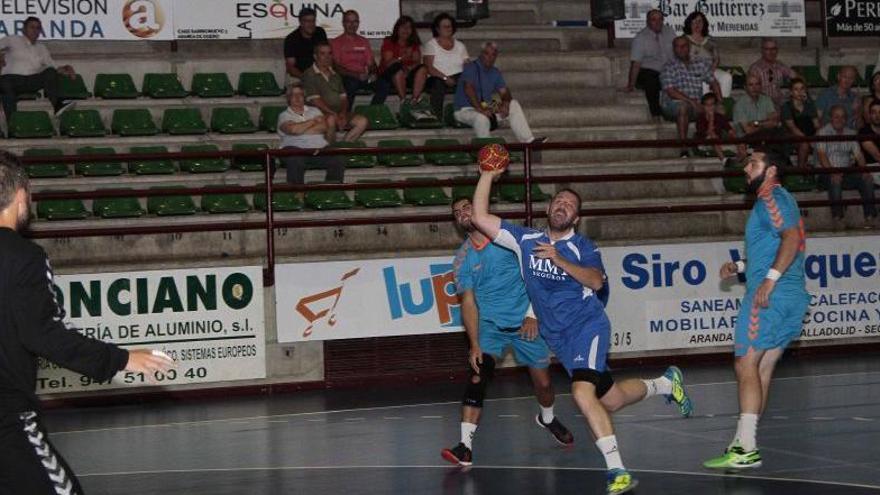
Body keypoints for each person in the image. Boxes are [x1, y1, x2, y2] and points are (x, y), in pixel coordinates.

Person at [469, 172, 694, 495]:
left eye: (570, 205)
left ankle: (617, 470)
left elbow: (596, 281)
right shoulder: (525, 240)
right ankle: (665, 383)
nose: (562, 206)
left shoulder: (582, 246)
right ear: (548, 209)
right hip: (559, 337)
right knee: (611, 400)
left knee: (581, 394)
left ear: (576, 217)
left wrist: (558, 259)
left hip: (587, 327)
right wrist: (487, 175)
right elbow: (479, 217)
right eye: (558, 201)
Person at [0, 150, 175, 495]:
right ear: (22, 196)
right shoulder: (24, 257)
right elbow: (45, 335)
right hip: (7, 420)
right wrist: (122, 359)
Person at [441, 196, 574, 467]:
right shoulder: (462, 259)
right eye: (457, 212)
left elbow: (539, 276)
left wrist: (531, 315)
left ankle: (547, 418)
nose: (463, 213)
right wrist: (475, 344)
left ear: (479, 210)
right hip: (491, 327)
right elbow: (467, 302)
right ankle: (465, 446)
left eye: (467, 207)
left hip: (526, 322)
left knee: (545, 385)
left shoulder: (508, 239)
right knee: (478, 376)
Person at [704, 150, 810, 470]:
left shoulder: (771, 198)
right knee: (761, 369)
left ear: (772, 169)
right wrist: (739, 266)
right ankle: (743, 443)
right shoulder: (778, 201)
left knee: (744, 364)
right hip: (791, 296)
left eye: (753, 164)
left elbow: (791, 239)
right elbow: (778, 246)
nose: (746, 169)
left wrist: (768, 281)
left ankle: (747, 447)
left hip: (771, 296)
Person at [453, 42, 542, 143]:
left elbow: (504, 92)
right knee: (481, 118)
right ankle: (488, 153)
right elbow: (468, 89)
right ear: (481, 54)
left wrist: (505, 104)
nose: (490, 57)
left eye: (493, 55)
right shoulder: (470, 67)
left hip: (487, 105)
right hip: (465, 109)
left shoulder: (495, 71)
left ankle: (529, 141)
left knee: (513, 104)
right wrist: (480, 109)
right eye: (487, 54)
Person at [0, 16, 77, 121]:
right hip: (12, 79)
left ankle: (58, 105)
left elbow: (52, 67)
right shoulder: (13, 39)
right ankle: (13, 121)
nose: (35, 30)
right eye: (32, 27)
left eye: (38, 28)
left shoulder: (42, 48)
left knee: (50, 72)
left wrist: (66, 68)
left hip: (32, 80)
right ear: (23, 29)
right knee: (4, 82)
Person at [815, 105, 877, 228]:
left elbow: (859, 155)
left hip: (846, 173)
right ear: (830, 118)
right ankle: (838, 218)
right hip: (826, 173)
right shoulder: (822, 133)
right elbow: (822, 157)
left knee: (867, 178)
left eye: (843, 117)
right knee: (835, 180)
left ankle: (870, 217)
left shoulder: (851, 133)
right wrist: (833, 172)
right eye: (836, 117)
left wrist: (865, 171)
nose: (840, 119)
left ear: (846, 119)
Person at [660, 35, 721, 156]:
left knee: (715, 108)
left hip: (696, 105)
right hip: (672, 105)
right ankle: (684, 147)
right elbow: (671, 91)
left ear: (689, 47)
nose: (680, 49)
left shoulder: (699, 64)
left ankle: (717, 149)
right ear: (674, 49)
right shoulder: (668, 66)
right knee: (683, 107)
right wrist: (691, 102)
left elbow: (713, 82)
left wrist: (720, 101)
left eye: (683, 46)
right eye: (677, 47)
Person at [277, 83, 344, 185]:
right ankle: (297, 193)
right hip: (294, 149)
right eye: (293, 95)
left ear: (304, 97)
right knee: (295, 159)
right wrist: (313, 122)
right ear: (288, 98)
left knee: (338, 158)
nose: (297, 97)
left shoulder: (315, 111)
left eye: (300, 94)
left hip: (318, 149)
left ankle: (332, 190)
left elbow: (323, 127)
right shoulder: (284, 115)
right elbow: (294, 130)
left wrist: (300, 127)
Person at [302, 42, 369, 143]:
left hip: (337, 112)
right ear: (315, 56)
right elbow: (316, 101)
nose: (327, 57)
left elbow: (343, 98)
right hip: (317, 114)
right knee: (331, 119)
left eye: (329, 53)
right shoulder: (309, 74)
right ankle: (330, 152)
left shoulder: (336, 75)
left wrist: (342, 113)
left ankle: (343, 146)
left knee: (362, 121)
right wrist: (334, 114)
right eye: (323, 54)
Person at [625, 9, 676, 120]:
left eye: (660, 19)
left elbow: (677, 52)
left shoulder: (670, 32)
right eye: (654, 20)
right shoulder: (640, 38)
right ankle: (656, 113)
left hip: (667, 71)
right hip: (648, 72)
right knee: (651, 77)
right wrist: (631, 84)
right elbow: (636, 63)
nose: (657, 22)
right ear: (647, 22)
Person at [330, 10, 381, 110]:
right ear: (343, 23)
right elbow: (336, 67)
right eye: (349, 21)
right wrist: (356, 75)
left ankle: (372, 112)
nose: (352, 25)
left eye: (355, 22)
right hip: (346, 77)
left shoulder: (364, 41)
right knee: (351, 84)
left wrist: (373, 73)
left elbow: (371, 63)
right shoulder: (336, 42)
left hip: (363, 77)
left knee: (383, 85)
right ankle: (345, 114)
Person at [376, 16, 429, 109]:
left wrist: (409, 68)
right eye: (403, 27)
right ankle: (404, 102)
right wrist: (402, 57)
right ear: (397, 28)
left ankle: (414, 100)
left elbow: (417, 61)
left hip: (407, 74)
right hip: (390, 76)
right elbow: (388, 63)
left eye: (409, 27)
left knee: (423, 68)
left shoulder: (413, 44)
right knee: (397, 68)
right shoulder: (389, 41)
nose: (406, 30)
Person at [423, 13, 469, 118]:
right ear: (438, 29)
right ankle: (436, 116)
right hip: (436, 77)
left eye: (450, 26)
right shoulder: (431, 45)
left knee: (473, 79)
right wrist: (445, 78)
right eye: (445, 26)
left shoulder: (460, 45)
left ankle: (484, 110)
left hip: (457, 75)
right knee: (438, 84)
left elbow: (467, 64)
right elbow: (429, 67)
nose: (448, 28)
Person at [733, 73, 783, 160]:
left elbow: (774, 122)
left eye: (757, 84)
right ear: (745, 87)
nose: (755, 87)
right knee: (770, 141)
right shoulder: (740, 104)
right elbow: (748, 130)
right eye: (751, 85)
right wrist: (765, 124)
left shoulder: (766, 100)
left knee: (779, 135)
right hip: (747, 139)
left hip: (766, 136)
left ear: (761, 86)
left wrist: (756, 123)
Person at [683, 11, 733, 98]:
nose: (697, 24)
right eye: (694, 22)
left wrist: (711, 71)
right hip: (692, 72)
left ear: (704, 24)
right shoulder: (683, 39)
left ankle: (722, 105)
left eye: (699, 21)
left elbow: (716, 59)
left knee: (727, 77)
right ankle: (705, 108)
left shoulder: (710, 40)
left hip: (710, 70)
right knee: (703, 81)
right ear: (689, 24)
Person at [781, 78, 820, 169]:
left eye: (802, 88)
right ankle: (800, 169)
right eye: (796, 89)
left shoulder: (810, 105)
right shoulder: (786, 107)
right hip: (791, 137)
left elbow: (816, 124)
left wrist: (816, 137)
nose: (799, 92)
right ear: (791, 92)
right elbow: (792, 128)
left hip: (808, 135)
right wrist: (808, 140)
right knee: (804, 144)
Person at [748, 38, 798, 109]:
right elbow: (753, 92)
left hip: (780, 104)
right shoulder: (755, 68)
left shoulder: (780, 65)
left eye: (773, 49)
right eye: (767, 49)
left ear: (777, 50)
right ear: (762, 51)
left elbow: (796, 78)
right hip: (762, 105)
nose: (771, 52)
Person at [284, 7, 328, 81]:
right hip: (299, 75)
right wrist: (307, 78)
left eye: (313, 21)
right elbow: (290, 68)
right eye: (307, 21)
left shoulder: (320, 32)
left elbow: (327, 56)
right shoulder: (291, 39)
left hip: (320, 73)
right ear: (300, 22)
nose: (311, 24)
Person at [694, 93, 735, 162]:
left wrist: (732, 136)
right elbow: (708, 133)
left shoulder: (719, 117)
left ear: (715, 106)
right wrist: (711, 119)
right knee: (712, 136)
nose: (709, 107)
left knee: (739, 141)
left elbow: (730, 130)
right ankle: (723, 160)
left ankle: (741, 162)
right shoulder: (700, 118)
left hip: (719, 142)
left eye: (712, 104)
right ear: (703, 106)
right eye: (707, 105)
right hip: (704, 144)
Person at [859, 99, 880, 186]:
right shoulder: (864, 131)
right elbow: (877, 155)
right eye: (874, 112)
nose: (877, 116)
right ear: (870, 115)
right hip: (870, 167)